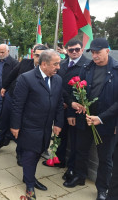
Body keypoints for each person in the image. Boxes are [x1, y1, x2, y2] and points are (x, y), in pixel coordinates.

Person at [63, 38, 118, 200]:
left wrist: (101, 118)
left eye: (98, 53)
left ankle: (102, 188)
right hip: (85, 118)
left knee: (105, 158)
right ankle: (80, 176)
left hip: (106, 122)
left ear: (107, 51)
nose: (95, 56)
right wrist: (75, 110)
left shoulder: (116, 70)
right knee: (81, 149)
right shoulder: (86, 68)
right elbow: (77, 90)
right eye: (92, 52)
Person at [11, 50, 64, 199]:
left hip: (46, 126)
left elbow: (59, 103)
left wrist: (58, 123)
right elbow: (17, 105)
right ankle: (29, 184)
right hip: (29, 126)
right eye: (55, 64)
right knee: (29, 155)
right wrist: (15, 126)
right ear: (44, 64)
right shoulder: (26, 79)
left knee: (38, 153)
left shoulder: (58, 80)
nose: (58, 67)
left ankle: (30, 177)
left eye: (58, 64)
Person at [42, 39, 90, 181]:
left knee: (75, 142)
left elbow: (83, 90)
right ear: (66, 50)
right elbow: (58, 84)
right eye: (70, 50)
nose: (74, 52)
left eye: (77, 49)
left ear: (82, 49)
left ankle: (72, 168)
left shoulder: (87, 66)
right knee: (60, 136)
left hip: (76, 111)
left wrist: (69, 106)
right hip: (61, 106)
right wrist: (62, 101)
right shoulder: (61, 64)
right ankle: (59, 160)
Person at [0, 44, 48, 162]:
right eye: (37, 55)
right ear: (33, 54)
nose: (39, 58)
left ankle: (20, 152)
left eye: (41, 56)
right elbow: (12, 75)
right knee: (4, 120)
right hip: (12, 96)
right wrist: (4, 87)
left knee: (22, 128)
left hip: (29, 103)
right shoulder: (25, 63)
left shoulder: (47, 69)